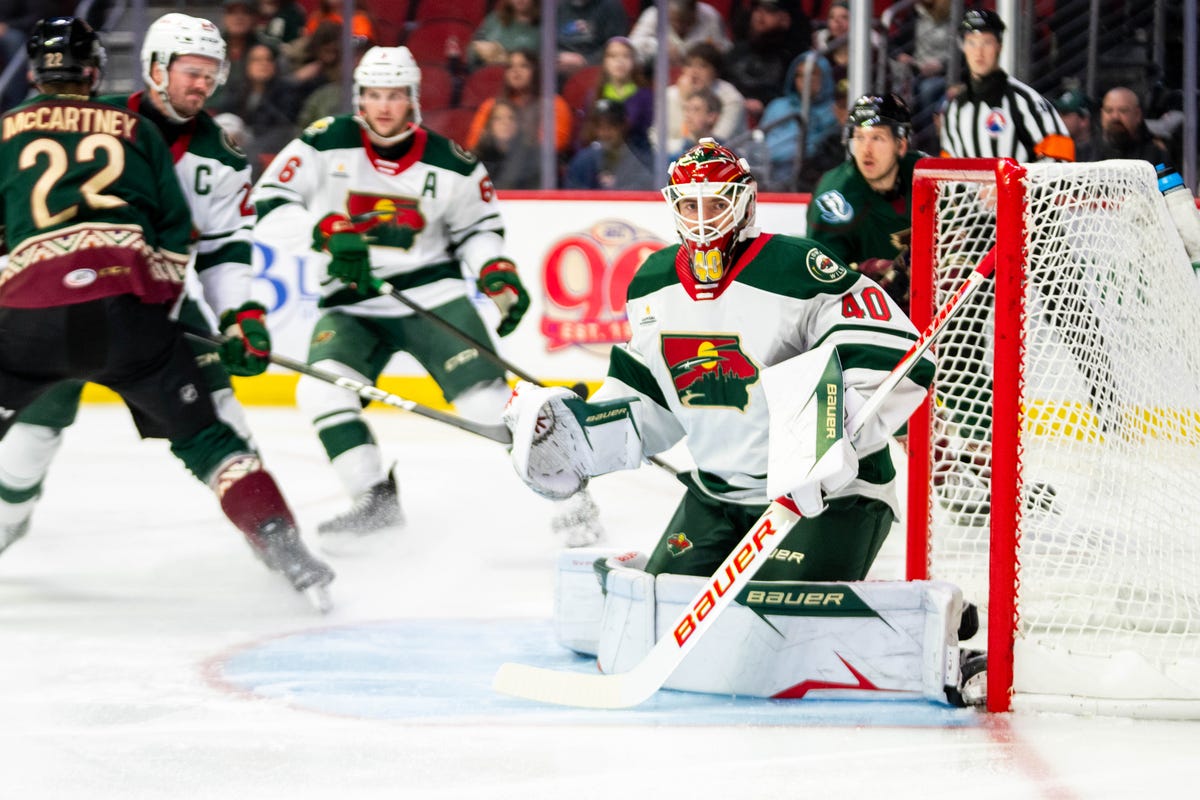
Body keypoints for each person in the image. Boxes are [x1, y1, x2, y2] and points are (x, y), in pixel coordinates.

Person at [0, 16, 334, 603]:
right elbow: (177, 234)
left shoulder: (221, 157)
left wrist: (240, 315)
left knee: (225, 419)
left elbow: (225, 249)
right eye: (190, 71)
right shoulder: (121, 122)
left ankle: (276, 543)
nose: (201, 84)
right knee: (33, 443)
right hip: (141, 304)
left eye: (211, 74)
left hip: (67, 300)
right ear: (154, 68)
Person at [504, 138, 934, 584]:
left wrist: (825, 442)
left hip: (832, 497)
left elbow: (890, 351)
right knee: (660, 603)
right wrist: (581, 436)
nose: (703, 219)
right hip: (718, 495)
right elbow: (650, 400)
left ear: (745, 204)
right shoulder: (652, 283)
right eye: (690, 206)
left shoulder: (796, 268)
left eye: (716, 204)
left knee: (776, 616)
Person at [251, 47, 603, 544]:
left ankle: (572, 497)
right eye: (374, 95)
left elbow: (478, 230)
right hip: (351, 300)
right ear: (360, 98)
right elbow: (269, 203)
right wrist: (324, 230)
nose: (384, 107)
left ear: (413, 98)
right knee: (321, 389)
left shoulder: (453, 163)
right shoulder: (324, 142)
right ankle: (374, 502)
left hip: (432, 295)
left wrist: (494, 271)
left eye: (394, 95)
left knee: (487, 405)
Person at [808, 94, 922, 315]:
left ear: (901, 145)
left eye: (877, 138)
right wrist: (866, 274)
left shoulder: (928, 176)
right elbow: (820, 279)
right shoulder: (835, 196)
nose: (866, 149)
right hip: (859, 313)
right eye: (859, 137)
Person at [940, 9, 1073, 162]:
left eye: (986, 42)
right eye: (971, 43)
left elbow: (1061, 160)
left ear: (999, 46)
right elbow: (948, 168)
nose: (979, 52)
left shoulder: (1026, 101)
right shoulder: (954, 109)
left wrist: (1020, 177)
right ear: (963, 47)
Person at [463, 49, 573, 158]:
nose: (516, 71)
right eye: (510, 67)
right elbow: (473, 144)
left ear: (536, 71)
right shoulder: (491, 105)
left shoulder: (554, 104)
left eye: (524, 66)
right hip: (493, 162)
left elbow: (554, 145)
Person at [759, 51, 838, 190]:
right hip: (767, 173)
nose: (805, 80)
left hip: (806, 179)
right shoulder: (778, 106)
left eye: (812, 74)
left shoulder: (833, 111)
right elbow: (758, 142)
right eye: (800, 75)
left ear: (825, 76)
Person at [724, 0, 805, 126]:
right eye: (757, 8)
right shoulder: (738, 50)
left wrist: (764, 104)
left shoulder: (793, 58)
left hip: (773, 123)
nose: (760, 15)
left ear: (785, 20)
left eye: (769, 11)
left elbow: (793, 97)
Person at [660, 42, 746, 156]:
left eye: (702, 66)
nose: (694, 72)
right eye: (689, 65)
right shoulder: (668, 95)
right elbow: (656, 139)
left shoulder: (731, 99)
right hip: (673, 159)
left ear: (715, 72)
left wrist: (686, 99)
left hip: (724, 160)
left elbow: (715, 144)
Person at [890, 0, 954, 153]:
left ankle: (928, 144)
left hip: (947, 73)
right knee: (903, 92)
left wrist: (941, 66)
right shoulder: (915, 14)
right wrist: (901, 56)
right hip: (918, 71)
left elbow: (962, 53)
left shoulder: (956, 13)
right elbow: (893, 44)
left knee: (927, 89)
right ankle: (909, 141)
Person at [582, 37, 653, 158]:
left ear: (634, 61)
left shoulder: (646, 96)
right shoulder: (594, 95)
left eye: (626, 56)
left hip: (636, 157)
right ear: (604, 62)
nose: (620, 61)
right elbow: (585, 134)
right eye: (613, 56)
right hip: (599, 157)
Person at [564, 99, 656, 190]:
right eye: (599, 126)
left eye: (612, 125)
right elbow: (572, 193)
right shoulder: (583, 160)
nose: (604, 133)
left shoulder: (641, 159)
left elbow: (652, 190)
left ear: (624, 125)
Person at [628, 0, 731, 69]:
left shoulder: (711, 17)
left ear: (695, 12)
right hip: (659, 74)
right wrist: (659, 47)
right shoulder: (654, 14)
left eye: (685, 22)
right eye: (674, 21)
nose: (679, 26)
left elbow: (725, 49)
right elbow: (631, 46)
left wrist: (710, 51)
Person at [1090, 85, 1171, 165]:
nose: (1115, 117)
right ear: (1102, 115)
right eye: (1109, 110)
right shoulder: (1089, 151)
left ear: (1137, 114)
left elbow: (1167, 173)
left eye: (1123, 110)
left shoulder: (1156, 155)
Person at [472, 98, 541, 190]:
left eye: (511, 118)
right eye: (498, 118)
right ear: (489, 125)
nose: (505, 123)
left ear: (518, 124)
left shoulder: (532, 158)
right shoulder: (476, 159)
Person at [555, 0, 629, 76]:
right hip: (557, 67)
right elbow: (548, 42)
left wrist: (585, 61)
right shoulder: (558, 5)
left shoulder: (611, 6)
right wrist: (556, 57)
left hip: (594, 70)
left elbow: (617, 46)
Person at [468, 0, 540, 70]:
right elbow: (473, 47)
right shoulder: (494, 18)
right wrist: (481, 51)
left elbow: (539, 65)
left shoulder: (541, 30)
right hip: (484, 73)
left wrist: (505, 58)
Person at [1052, 86, 1094, 163]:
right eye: (1058, 113)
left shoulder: (1104, 150)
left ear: (1083, 119)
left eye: (1065, 114)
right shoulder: (1056, 148)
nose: (1058, 118)